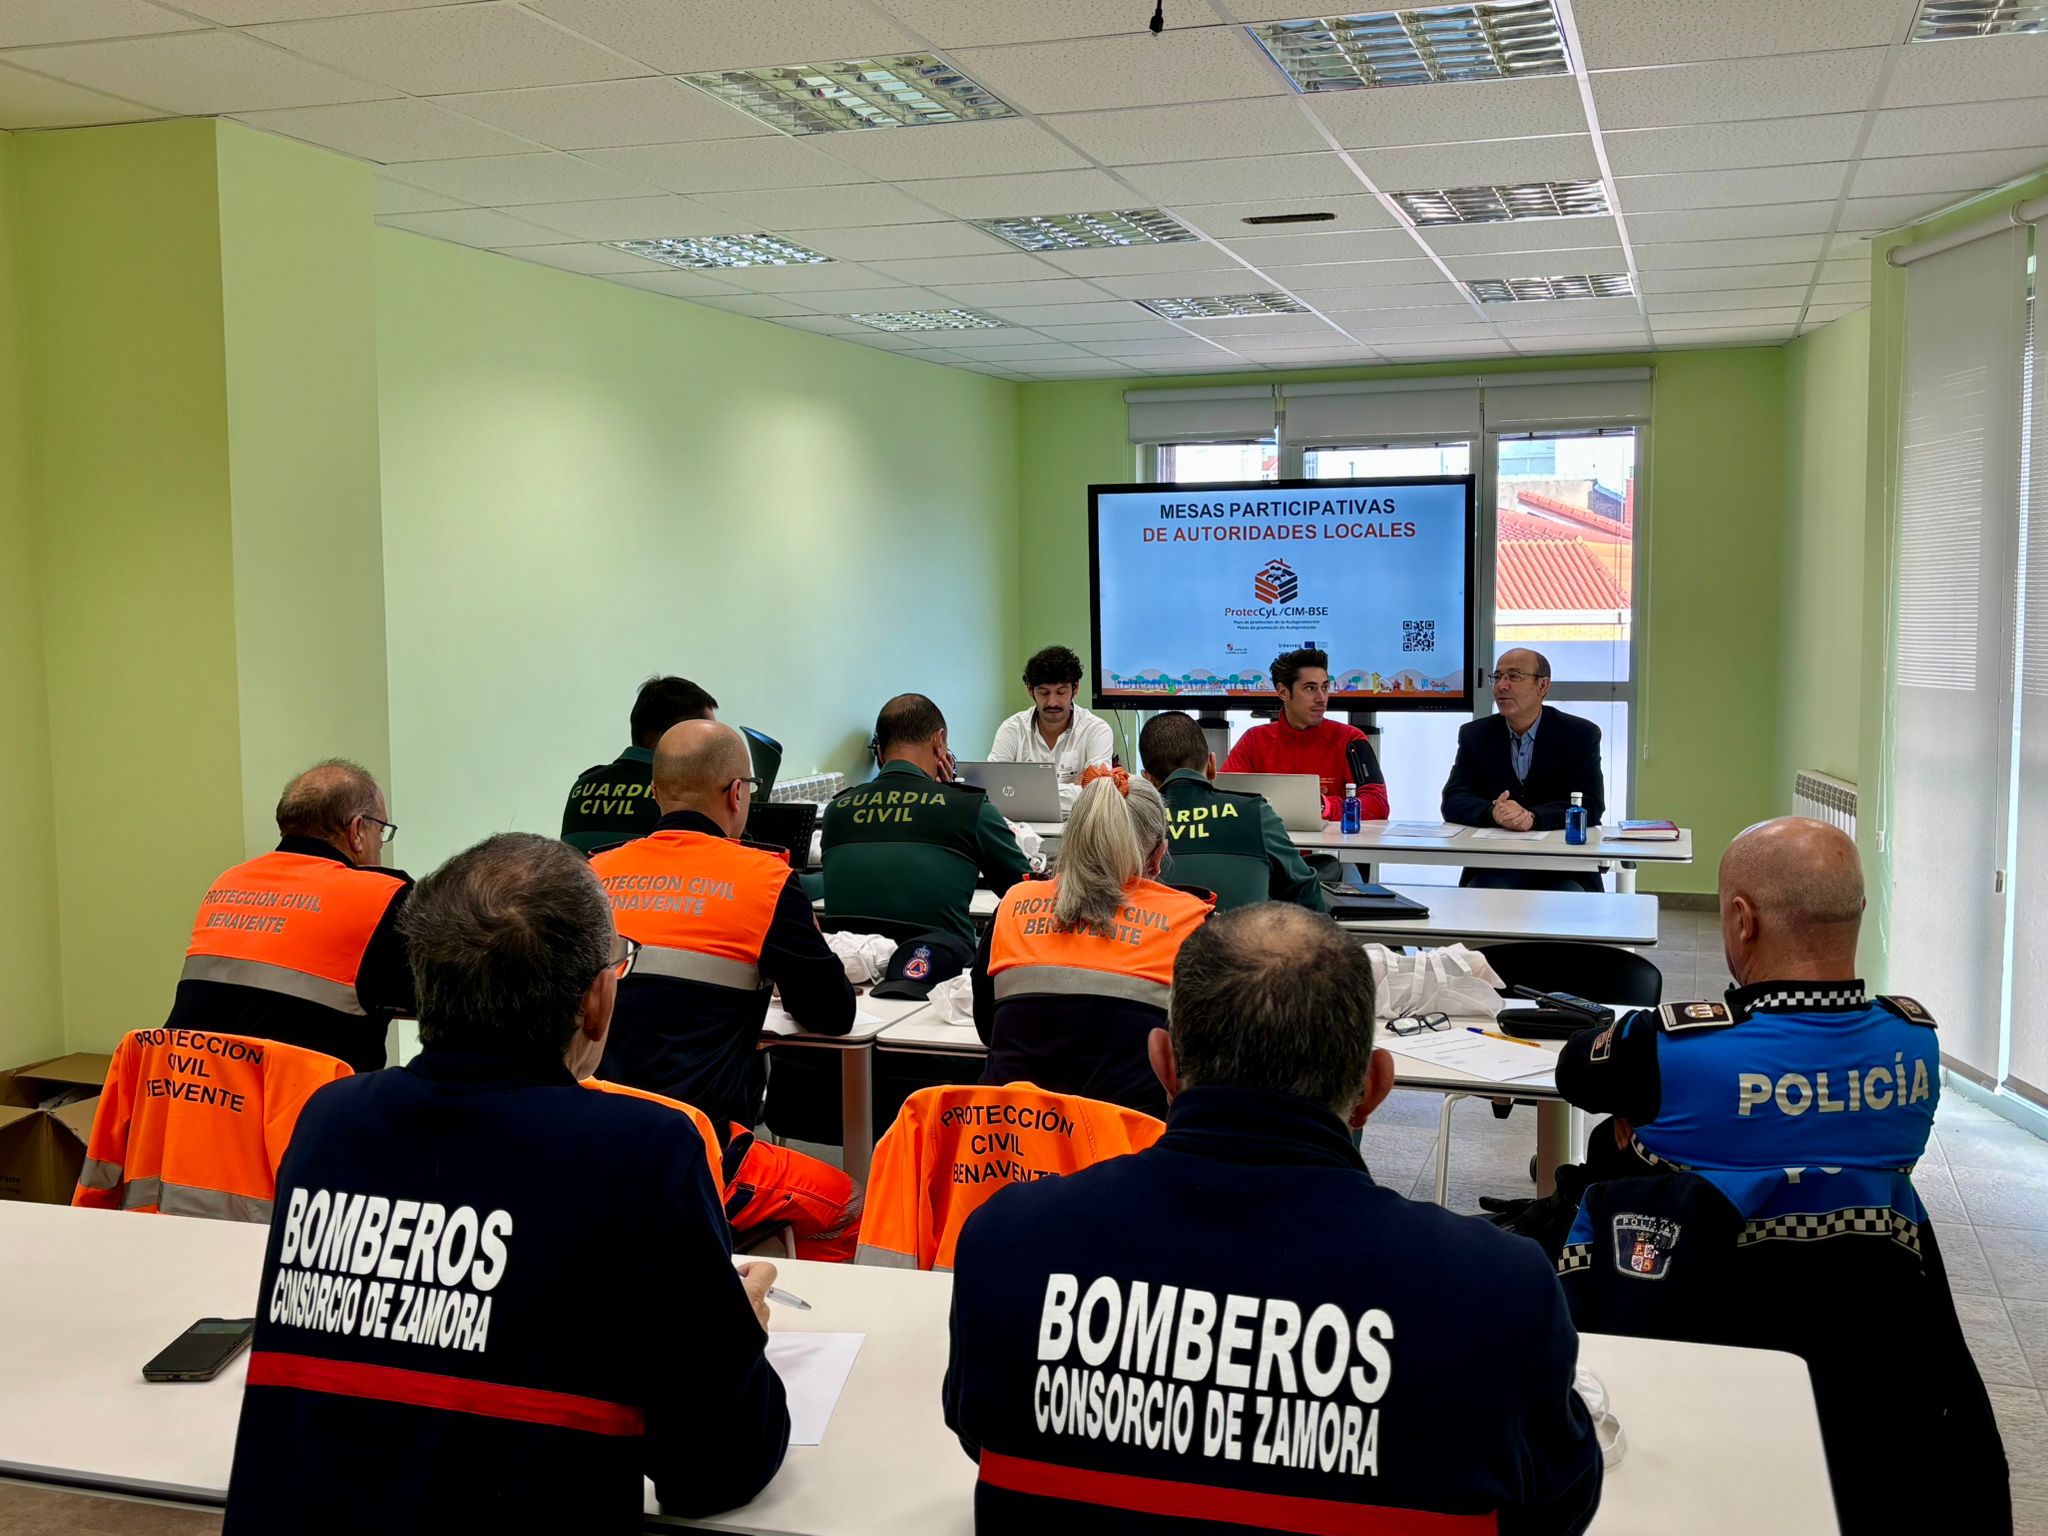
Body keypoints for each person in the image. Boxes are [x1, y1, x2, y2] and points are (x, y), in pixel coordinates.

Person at [944, 904, 1603, 1534]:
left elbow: (984, 1437)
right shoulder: (1499, 1291)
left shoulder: (1007, 1243)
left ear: (1164, 1063)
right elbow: (1554, 1506)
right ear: (1375, 1086)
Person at [222, 833, 789, 1533]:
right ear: (596, 1001)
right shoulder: (643, 1151)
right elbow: (715, 1467)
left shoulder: (329, 1122)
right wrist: (738, 1334)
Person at [1547, 817, 2006, 1533]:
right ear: (1855, 913)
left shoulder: (1667, 1046)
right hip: (1872, 1364)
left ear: (1742, 919)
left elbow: (1575, 1071)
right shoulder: (1915, 1044)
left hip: (1685, 1335)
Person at [590, 720, 861, 1260]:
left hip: (590, 1146)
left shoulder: (593, 874)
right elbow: (833, 1013)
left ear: (655, 793)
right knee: (847, 1206)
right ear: (738, 793)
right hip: (698, 1154)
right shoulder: (764, 880)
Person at [971, 770, 1213, 1117]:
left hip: (1008, 1136)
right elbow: (1201, 1059)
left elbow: (987, 1029)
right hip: (1130, 1143)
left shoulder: (1013, 906)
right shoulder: (1191, 924)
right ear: (1158, 855)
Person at [168, 759, 412, 1074]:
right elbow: (444, 992)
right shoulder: (381, 895)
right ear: (357, 831)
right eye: (381, 829)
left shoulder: (229, 881)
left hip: (198, 1094)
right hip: (310, 1101)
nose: (380, 842)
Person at [821, 693, 1032, 947]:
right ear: (939, 742)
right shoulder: (968, 808)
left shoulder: (836, 810)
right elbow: (1027, 895)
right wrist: (950, 794)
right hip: (939, 965)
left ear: (879, 752)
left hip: (851, 963)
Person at [1440, 649, 1605, 892]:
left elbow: (1591, 804)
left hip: (1564, 864)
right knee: (1488, 898)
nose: (1501, 686)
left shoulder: (1580, 735)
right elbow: (1453, 800)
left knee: (1567, 901)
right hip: (1496, 864)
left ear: (1542, 685)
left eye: (1514, 676)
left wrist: (1533, 817)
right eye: (1497, 677)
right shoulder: (1475, 735)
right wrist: (1494, 812)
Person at [1139, 710, 1325, 912]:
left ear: (1147, 778)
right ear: (1212, 764)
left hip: (1156, 933)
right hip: (1241, 932)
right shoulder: (1254, 813)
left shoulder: (1133, 820)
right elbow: (1305, 892)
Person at [1221, 646, 1390, 822]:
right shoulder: (1254, 740)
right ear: (1283, 692)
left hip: (1330, 840)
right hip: (1269, 838)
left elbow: (1378, 805)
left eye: (1325, 687)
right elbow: (1223, 798)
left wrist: (1324, 806)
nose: (1321, 698)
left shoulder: (1351, 739)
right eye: (1310, 688)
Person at [560, 675, 717, 854]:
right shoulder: (680, 793)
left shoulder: (582, 786)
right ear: (679, 737)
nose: (714, 746)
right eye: (709, 737)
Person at [986, 644, 1115, 811]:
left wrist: (1020, 791)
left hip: (1077, 825)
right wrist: (1076, 789)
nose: (1052, 702)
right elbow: (994, 790)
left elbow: (1098, 794)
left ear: (1075, 688)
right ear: (1030, 690)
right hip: (1021, 824)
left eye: (1061, 692)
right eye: (1044, 693)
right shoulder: (1011, 729)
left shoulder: (1096, 730)